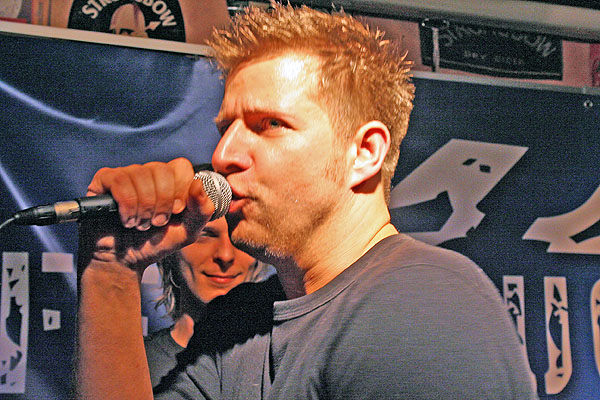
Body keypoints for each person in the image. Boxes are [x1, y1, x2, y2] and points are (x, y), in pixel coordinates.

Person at [76, 4, 538, 400]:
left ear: (364, 153)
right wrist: (111, 273)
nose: (222, 156)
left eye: (270, 124)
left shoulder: (423, 301)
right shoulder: (237, 322)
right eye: (226, 129)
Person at [145, 165, 277, 389]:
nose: (225, 255)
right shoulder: (135, 363)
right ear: (171, 248)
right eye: (205, 235)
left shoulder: (285, 357)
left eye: (238, 237)